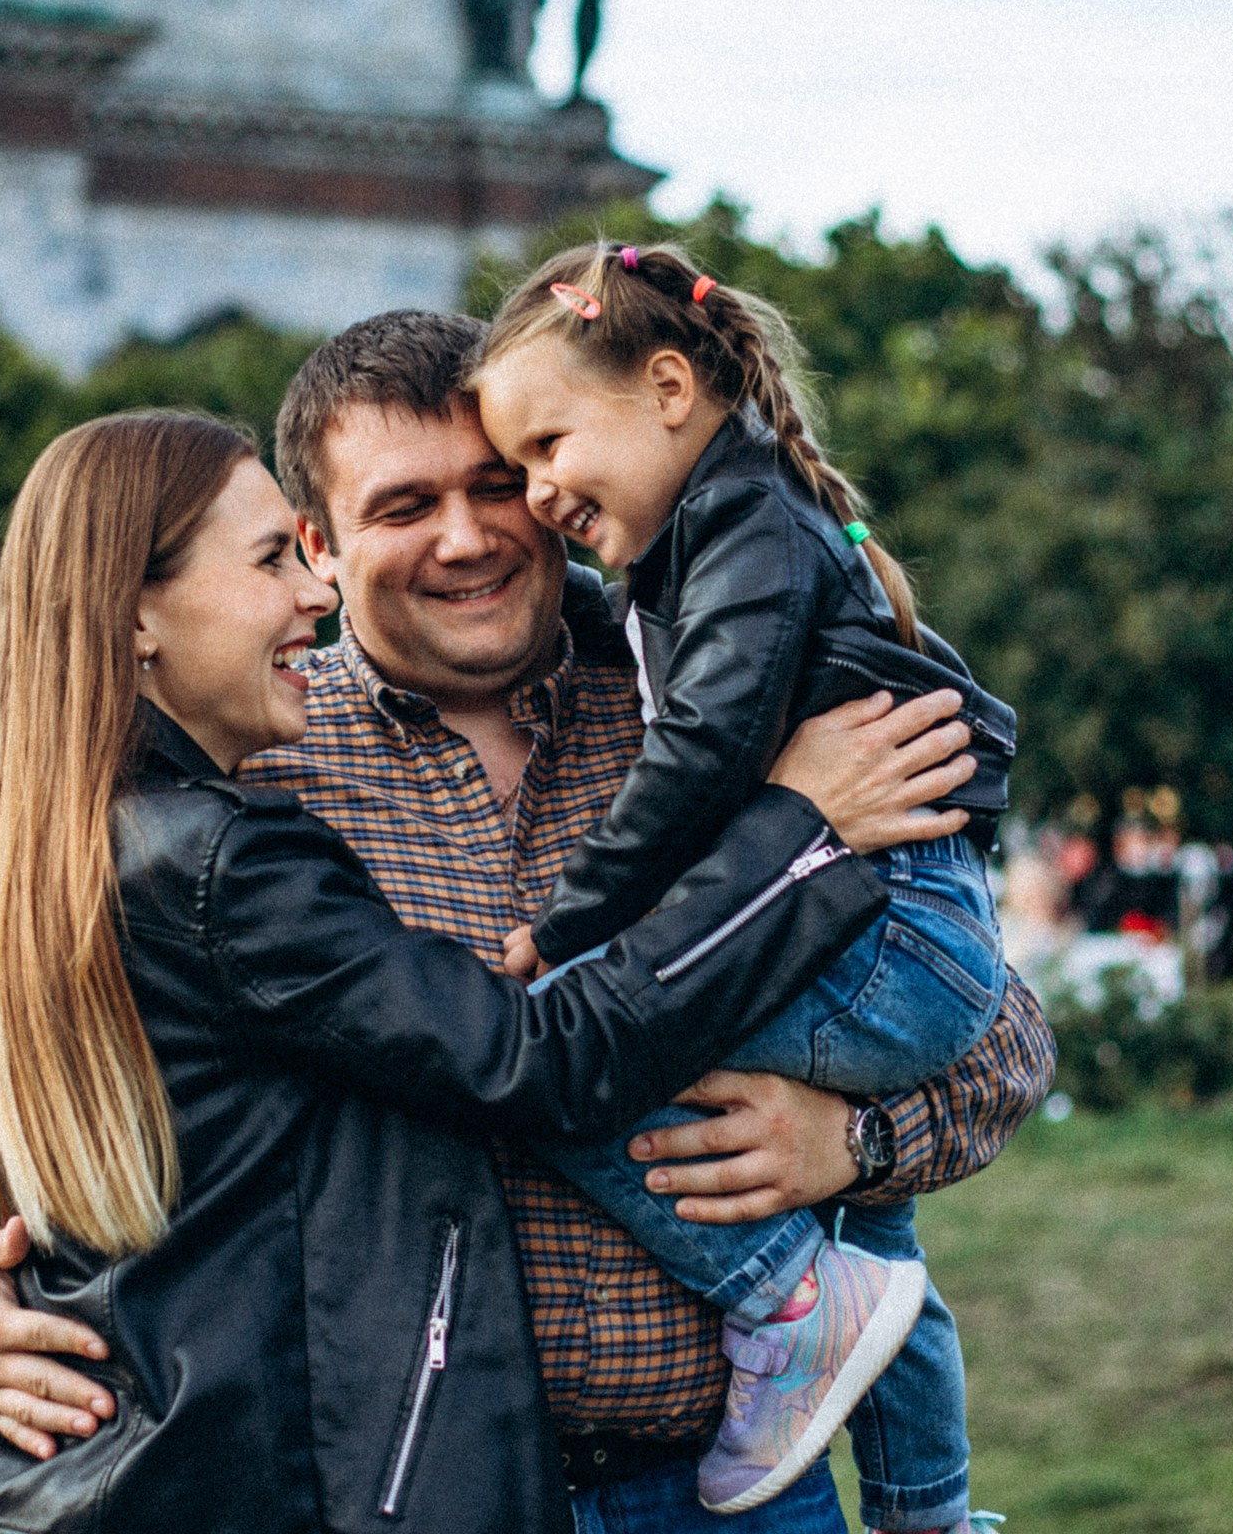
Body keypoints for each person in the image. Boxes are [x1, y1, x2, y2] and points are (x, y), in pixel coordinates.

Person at [0, 313, 1056, 1534]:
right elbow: (28, 1043)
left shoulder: (728, 703)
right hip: (420, 1483)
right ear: (319, 542)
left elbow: (1002, 1031)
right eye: (403, 506)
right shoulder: (256, 756)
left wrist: (856, 1141)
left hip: (734, 1487)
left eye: (499, 484)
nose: (465, 537)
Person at [468, 243, 1018, 1518]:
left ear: (669, 387)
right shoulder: (707, 549)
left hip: (881, 941)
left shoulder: (744, 528)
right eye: (523, 469)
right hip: (902, 934)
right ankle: (925, 1507)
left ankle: (779, 1289)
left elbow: (705, 746)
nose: (537, 494)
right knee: (879, 1248)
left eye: (549, 446)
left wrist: (572, 923)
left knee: (571, 1050)